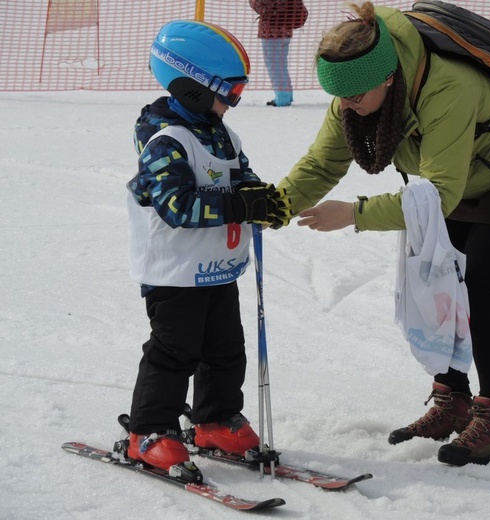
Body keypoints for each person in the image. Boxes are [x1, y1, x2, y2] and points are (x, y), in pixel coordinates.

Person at [274, 2, 490, 467]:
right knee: (439, 278)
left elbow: (441, 194)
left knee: (478, 284)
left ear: (388, 77)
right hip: (460, 178)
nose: (346, 105)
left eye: (354, 96)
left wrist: (354, 212)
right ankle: (453, 400)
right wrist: (275, 204)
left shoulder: (447, 88)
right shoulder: (356, 89)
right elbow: (323, 162)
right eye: (339, 97)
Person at [124, 19, 290, 479]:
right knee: (174, 352)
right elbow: (177, 206)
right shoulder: (164, 142)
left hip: (217, 268)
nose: (233, 102)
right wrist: (239, 203)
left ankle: (214, 420)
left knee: (225, 349)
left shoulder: (222, 135)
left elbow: (243, 179)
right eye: (228, 92)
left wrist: (262, 199)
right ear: (193, 87)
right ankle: (149, 431)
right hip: (174, 274)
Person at [249, 0, 308, 107]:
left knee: (274, 66)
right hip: (286, 31)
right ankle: (286, 95)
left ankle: (282, 98)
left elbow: (260, 7)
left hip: (271, 32)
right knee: (281, 65)